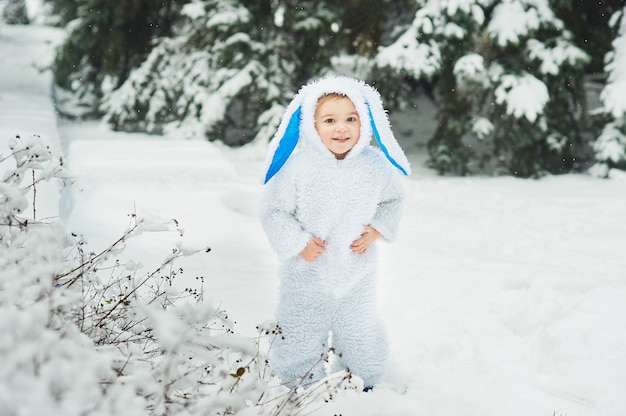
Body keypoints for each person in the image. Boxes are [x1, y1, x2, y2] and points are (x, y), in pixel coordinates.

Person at [258, 75, 411, 391]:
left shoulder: (375, 166)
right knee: (301, 329)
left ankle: (362, 380)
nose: (341, 128)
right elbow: (273, 211)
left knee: (359, 330)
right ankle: (297, 383)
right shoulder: (297, 168)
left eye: (351, 119)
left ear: (365, 123)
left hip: (357, 271)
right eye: (329, 120)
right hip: (307, 273)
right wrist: (298, 242)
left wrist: (377, 230)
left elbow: (394, 199)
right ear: (311, 126)